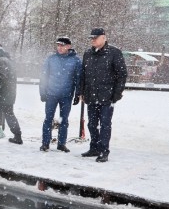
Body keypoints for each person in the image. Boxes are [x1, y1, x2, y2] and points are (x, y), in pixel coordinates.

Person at [79, 28, 127, 162]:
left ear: (104, 38)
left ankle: (104, 151)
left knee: (105, 125)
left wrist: (117, 93)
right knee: (92, 124)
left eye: (95, 37)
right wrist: (81, 92)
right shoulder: (88, 53)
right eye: (91, 38)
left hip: (107, 97)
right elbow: (83, 74)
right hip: (91, 96)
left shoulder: (114, 53)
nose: (93, 40)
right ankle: (94, 147)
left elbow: (122, 74)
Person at [39, 36, 82, 152]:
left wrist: (78, 94)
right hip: (51, 94)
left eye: (62, 45)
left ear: (68, 46)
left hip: (66, 95)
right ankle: (45, 143)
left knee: (64, 120)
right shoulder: (51, 59)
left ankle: (61, 144)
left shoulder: (76, 61)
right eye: (58, 45)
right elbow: (44, 76)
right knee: (48, 119)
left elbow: (78, 78)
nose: (59, 47)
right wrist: (42, 91)